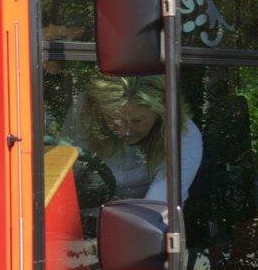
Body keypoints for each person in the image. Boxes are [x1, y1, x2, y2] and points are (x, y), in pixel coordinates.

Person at [63, 75, 203, 204]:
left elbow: (157, 206)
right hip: (86, 214)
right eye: (113, 119)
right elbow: (64, 173)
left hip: (146, 221)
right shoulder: (85, 116)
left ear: (161, 112)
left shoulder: (182, 135)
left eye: (136, 121)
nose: (125, 131)